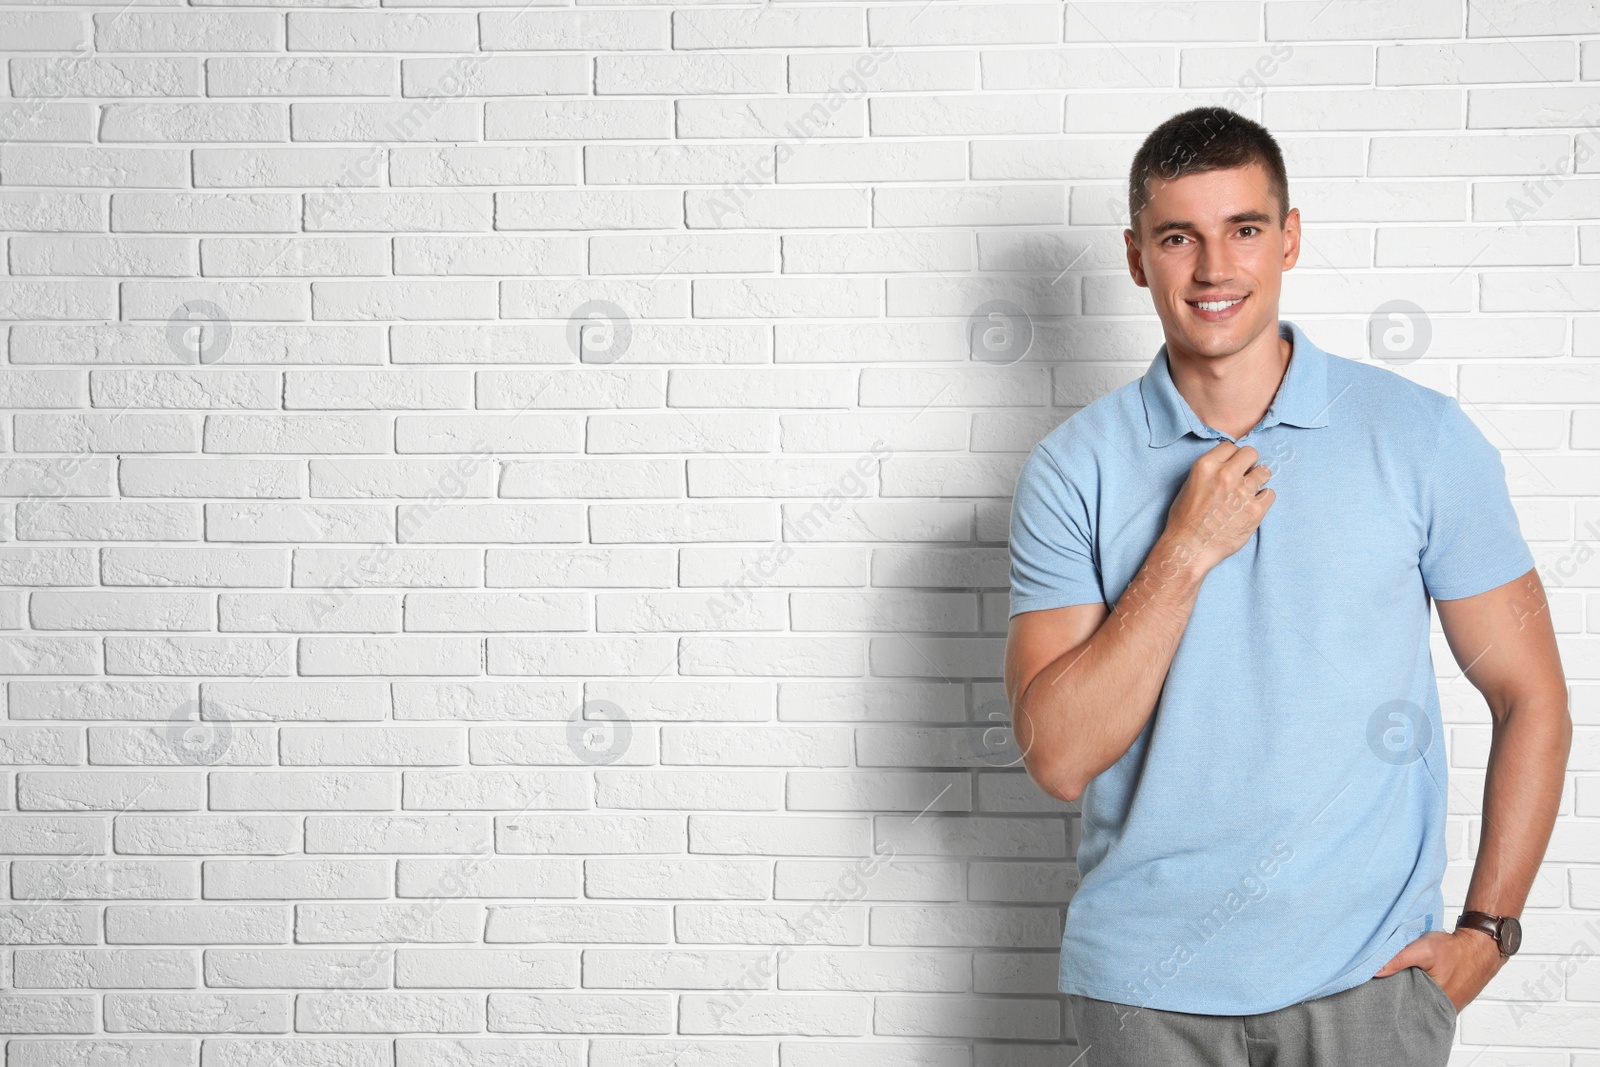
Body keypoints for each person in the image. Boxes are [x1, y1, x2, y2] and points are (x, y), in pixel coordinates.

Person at [1003, 106, 1571, 1065]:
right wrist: (1183, 552)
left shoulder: (1418, 436)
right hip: (1146, 994)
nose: (1215, 268)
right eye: (1179, 237)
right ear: (1138, 258)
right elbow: (1058, 755)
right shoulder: (1075, 469)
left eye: (1245, 230)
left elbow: (1533, 696)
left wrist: (1489, 930)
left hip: (1371, 987)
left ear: (1291, 238)